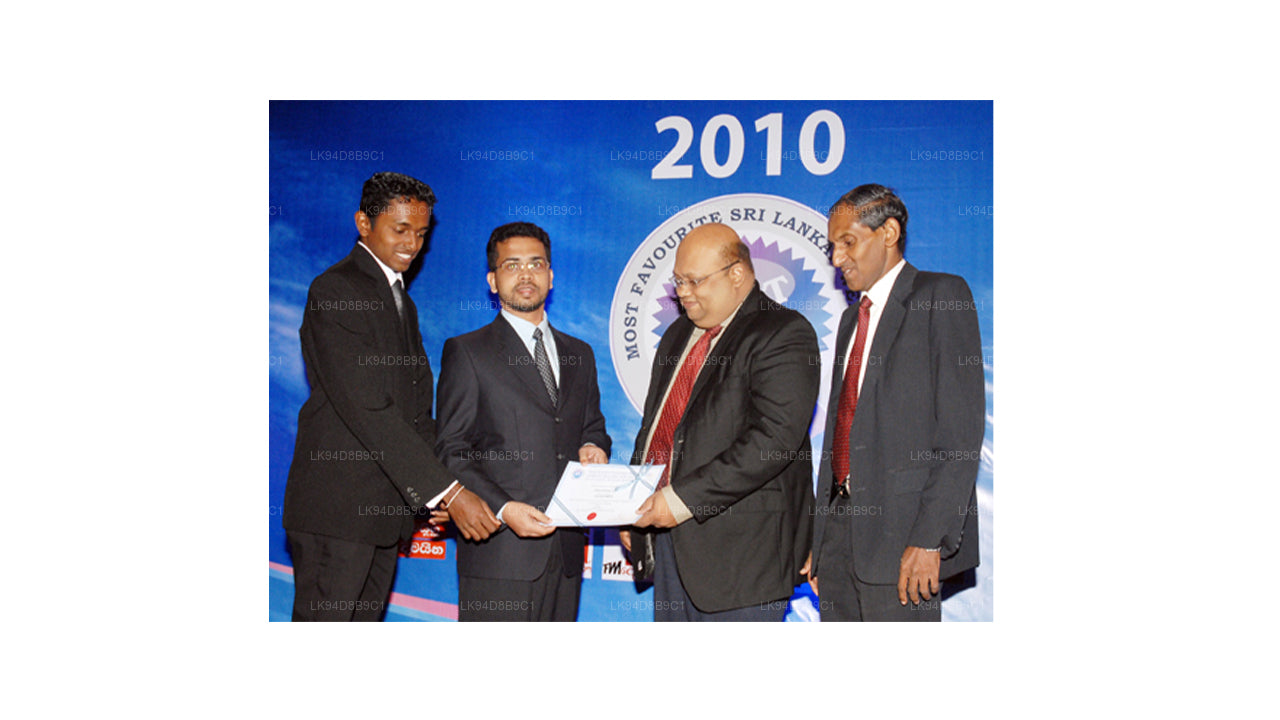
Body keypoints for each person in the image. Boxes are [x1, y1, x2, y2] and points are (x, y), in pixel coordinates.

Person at [282, 172, 500, 622]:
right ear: (363, 223)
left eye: (421, 233)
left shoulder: (401, 299)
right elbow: (368, 409)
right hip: (336, 515)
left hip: (381, 519)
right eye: (400, 229)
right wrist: (448, 492)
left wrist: (445, 485)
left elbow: (415, 414)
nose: (412, 244)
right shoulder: (337, 290)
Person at [802, 183, 985, 621]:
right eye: (832, 246)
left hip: (905, 540)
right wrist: (821, 539)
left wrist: (928, 539)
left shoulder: (941, 295)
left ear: (888, 233)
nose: (837, 258)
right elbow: (842, 430)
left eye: (848, 242)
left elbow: (961, 434)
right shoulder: (850, 320)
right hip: (840, 544)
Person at [624, 222, 819, 621]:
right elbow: (659, 428)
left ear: (737, 274)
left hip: (742, 561)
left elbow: (774, 440)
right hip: (670, 549)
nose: (683, 293)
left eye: (694, 281)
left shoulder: (783, 331)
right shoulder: (677, 335)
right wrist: (632, 502)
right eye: (678, 281)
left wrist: (678, 501)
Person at [435, 222, 611, 621]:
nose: (526, 274)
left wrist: (594, 446)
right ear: (493, 281)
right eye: (512, 265)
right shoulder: (468, 352)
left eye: (536, 264)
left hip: (566, 554)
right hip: (499, 553)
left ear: (551, 276)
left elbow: (593, 427)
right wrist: (503, 509)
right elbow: (451, 449)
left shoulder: (580, 353)